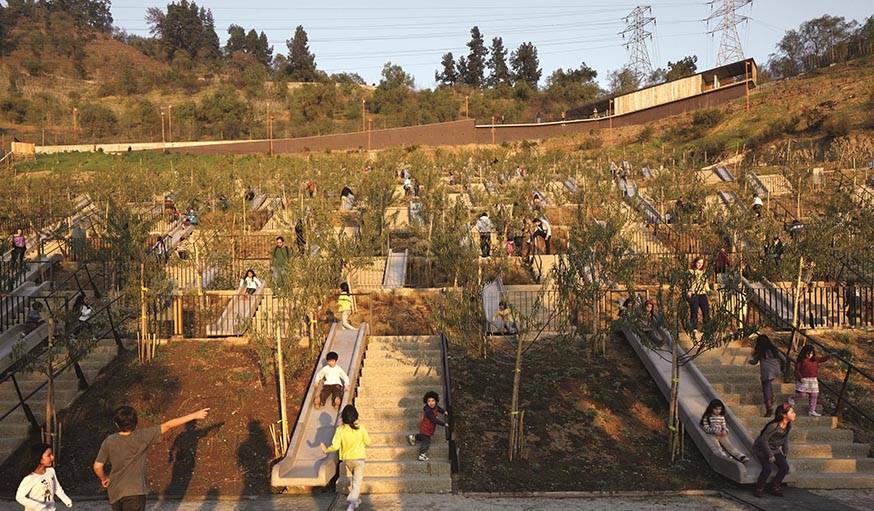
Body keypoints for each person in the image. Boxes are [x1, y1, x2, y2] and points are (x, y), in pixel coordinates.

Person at [94, 406, 209, 511]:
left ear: (116, 424)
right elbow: (168, 425)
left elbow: (97, 466)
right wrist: (195, 415)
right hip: (135, 492)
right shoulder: (143, 436)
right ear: (136, 422)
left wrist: (104, 478)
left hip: (115, 493)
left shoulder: (109, 441)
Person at [320, 405, 371, 511]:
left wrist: (326, 450)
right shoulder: (360, 428)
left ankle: (356, 501)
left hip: (347, 460)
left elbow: (335, 446)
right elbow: (368, 442)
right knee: (357, 482)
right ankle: (352, 502)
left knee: (354, 479)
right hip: (359, 459)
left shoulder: (340, 430)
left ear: (343, 417)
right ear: (356, 416)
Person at [753, 403, 795, 497]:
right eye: (792, 412)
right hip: (762, 449)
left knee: (785, 467)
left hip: (774, 449)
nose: (794, 414)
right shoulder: (773, 426)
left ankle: (775, 487)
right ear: (784, 415)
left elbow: (785, 440)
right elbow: (763, 440)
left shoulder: (788, 426)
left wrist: (785, 452)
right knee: (767, 468)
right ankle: (759, 489)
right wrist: (770, 455)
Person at [16, 443, 73, 511]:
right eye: (49, 455)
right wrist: (38, 506)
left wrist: (66, 500)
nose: (52, 457)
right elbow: (19, 497)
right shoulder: (30, 478)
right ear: (40, 459)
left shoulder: (51, 471)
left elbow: (57, 488)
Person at [748, 335, 787, 417]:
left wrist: (750, 361)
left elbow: (754, 361)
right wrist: (783, 367)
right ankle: (771, 397)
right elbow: (783, 358)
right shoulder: (773, 349)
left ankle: (769, 405)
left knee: (765, 385)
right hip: (776, 368)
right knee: (768, 384)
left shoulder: (760, 351)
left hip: (766, 370)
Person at [700, 399, 749, 464]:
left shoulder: (721, 417)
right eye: (716, 409)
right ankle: (726, 458)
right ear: (711, 408)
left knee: (729, 446)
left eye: (719, 409)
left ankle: (741, 456)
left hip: (721, 434)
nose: (718, 411)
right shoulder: (707, 417)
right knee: (718, 447)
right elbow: (706, 427)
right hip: (713, 435)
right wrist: (714, 431)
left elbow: (724, 426)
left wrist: (725, 431)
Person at [407, 391, 448, 462]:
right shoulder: (428, 411)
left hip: (428, 428)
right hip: (426, 428)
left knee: (422, 436)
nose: (431, 403)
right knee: (426, 441)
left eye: (433, 401)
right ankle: (422, 454)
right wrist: (444, 424)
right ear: (426, 402)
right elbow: (434, 419)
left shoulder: (435, 407)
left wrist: (444, 411)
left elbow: (439, 409)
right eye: (429, 401)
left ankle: (414, 437)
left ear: (436, 401)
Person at [793, 345, 829, 417]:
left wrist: (829, 356)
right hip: (803, 379)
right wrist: (800, 378)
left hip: (813, 380)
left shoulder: (815, 359)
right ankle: (792, 398)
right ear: (804, 353)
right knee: (801, 394)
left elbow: (822, 359)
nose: (809, 355)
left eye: (811, 354)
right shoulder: (800, 361)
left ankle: (812, 410)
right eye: (808, 354)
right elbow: (796, 370)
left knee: (814, 395)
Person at [687, 257, 711, 334]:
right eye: (698, 263)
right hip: (694, 293)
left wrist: (708, 290)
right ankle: (694, 327)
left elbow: (705, 282)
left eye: (701, 263)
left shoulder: (703, 272)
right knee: (694, 311)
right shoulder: (690, 272)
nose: (699, 265)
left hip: (702, 293)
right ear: (695, 263)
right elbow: (688, 282)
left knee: (706, 310)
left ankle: (706, 327)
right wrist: (689, 291)